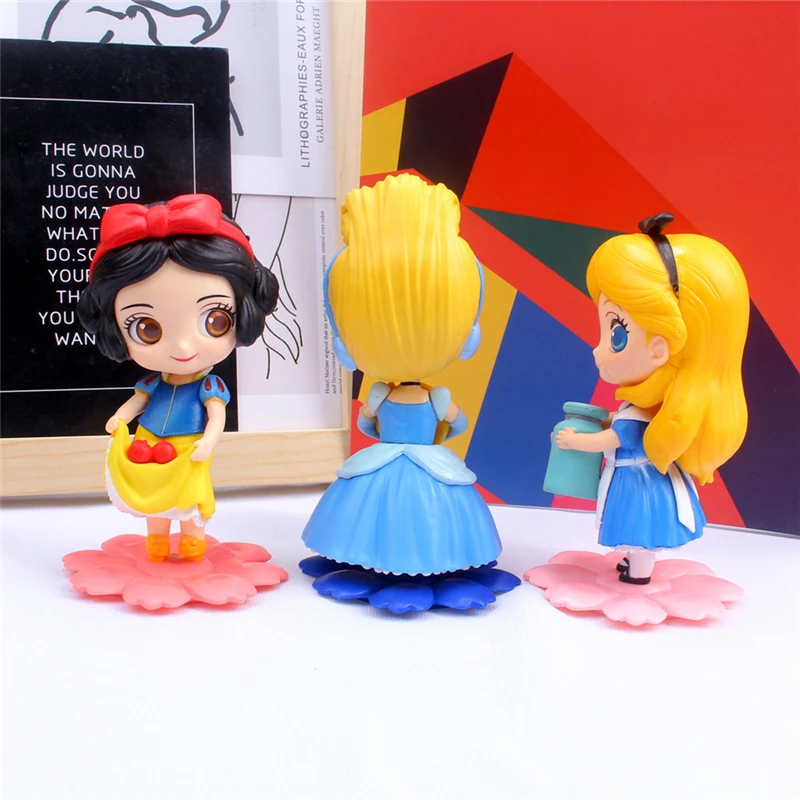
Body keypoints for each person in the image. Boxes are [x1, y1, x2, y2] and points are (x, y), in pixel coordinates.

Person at [302, 173, 504, 584]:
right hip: (429, 458)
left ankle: (376, 556)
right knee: (431, 517)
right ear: (469, 334)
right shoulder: (436, 397)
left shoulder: (381, 394)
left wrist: (381, 426)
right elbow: (459, 425)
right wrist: (438, 436)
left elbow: (366, 426)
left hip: (383, 458)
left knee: (365, 513)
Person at [78, 193, 278, 561]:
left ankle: (192, 545)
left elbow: (216, 415)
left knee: (188, 503)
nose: (183, 346)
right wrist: (121, 417)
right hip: (148, 444)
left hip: (188, 449)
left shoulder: (208, 385)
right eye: (147, 328)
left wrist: (209, 441)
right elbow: (137, 401)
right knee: (154, 503)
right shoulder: (154, 383)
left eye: (215, 321)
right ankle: (156, 543)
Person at [555, 213, 749, 584]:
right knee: (635, 531)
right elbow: (619, 426)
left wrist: (574, 440)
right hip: (639, 479)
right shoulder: (643, 411)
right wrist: (603, 420)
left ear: (660, 348)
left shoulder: (641, 417)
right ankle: (634, 563)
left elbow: (612, 439)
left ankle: (638, 572)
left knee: (638, 530)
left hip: (637, 485)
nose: (598, 350)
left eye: (617, 334)